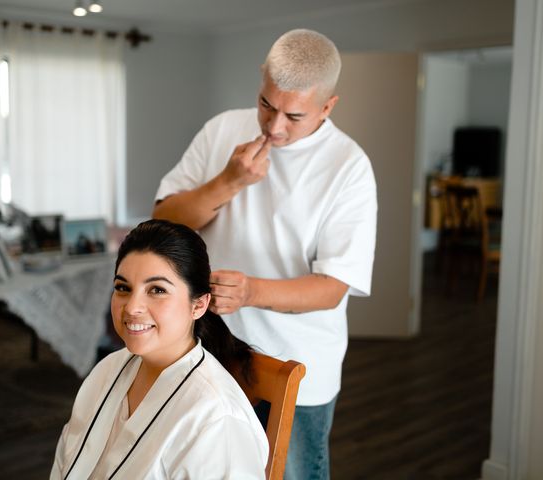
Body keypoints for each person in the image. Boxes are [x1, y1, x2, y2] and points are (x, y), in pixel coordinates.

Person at [153, 29, 377, 479]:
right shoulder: (221, 129)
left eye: (294, 116)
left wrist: (252, 291)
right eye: (266, 105)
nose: (274, 127)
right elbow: (164, 219)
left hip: (296, 365)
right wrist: (229, 181)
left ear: (328, 106)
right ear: (261, 79)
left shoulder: (348, 167)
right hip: (206, 351)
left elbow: (332, 287)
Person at [50, 219, 268, 479]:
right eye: (123, 288)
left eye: (157, 290)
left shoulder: (216, 419)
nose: (132, 307)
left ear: (198, 305)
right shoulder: (109, 369)